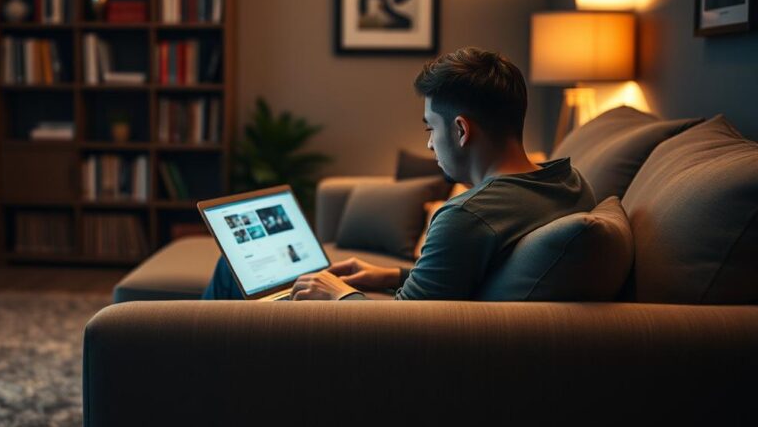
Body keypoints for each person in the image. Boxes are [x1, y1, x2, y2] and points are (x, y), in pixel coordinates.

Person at [202, 47, 596, 301]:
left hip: (376, 355)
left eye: (430, 129)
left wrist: (337, 294)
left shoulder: (466, 216)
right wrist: (389, 274)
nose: (428, 144)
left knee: (229, 272)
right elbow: (464, 277)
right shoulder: (568, 182)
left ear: (460, 130)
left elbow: (403, 332)